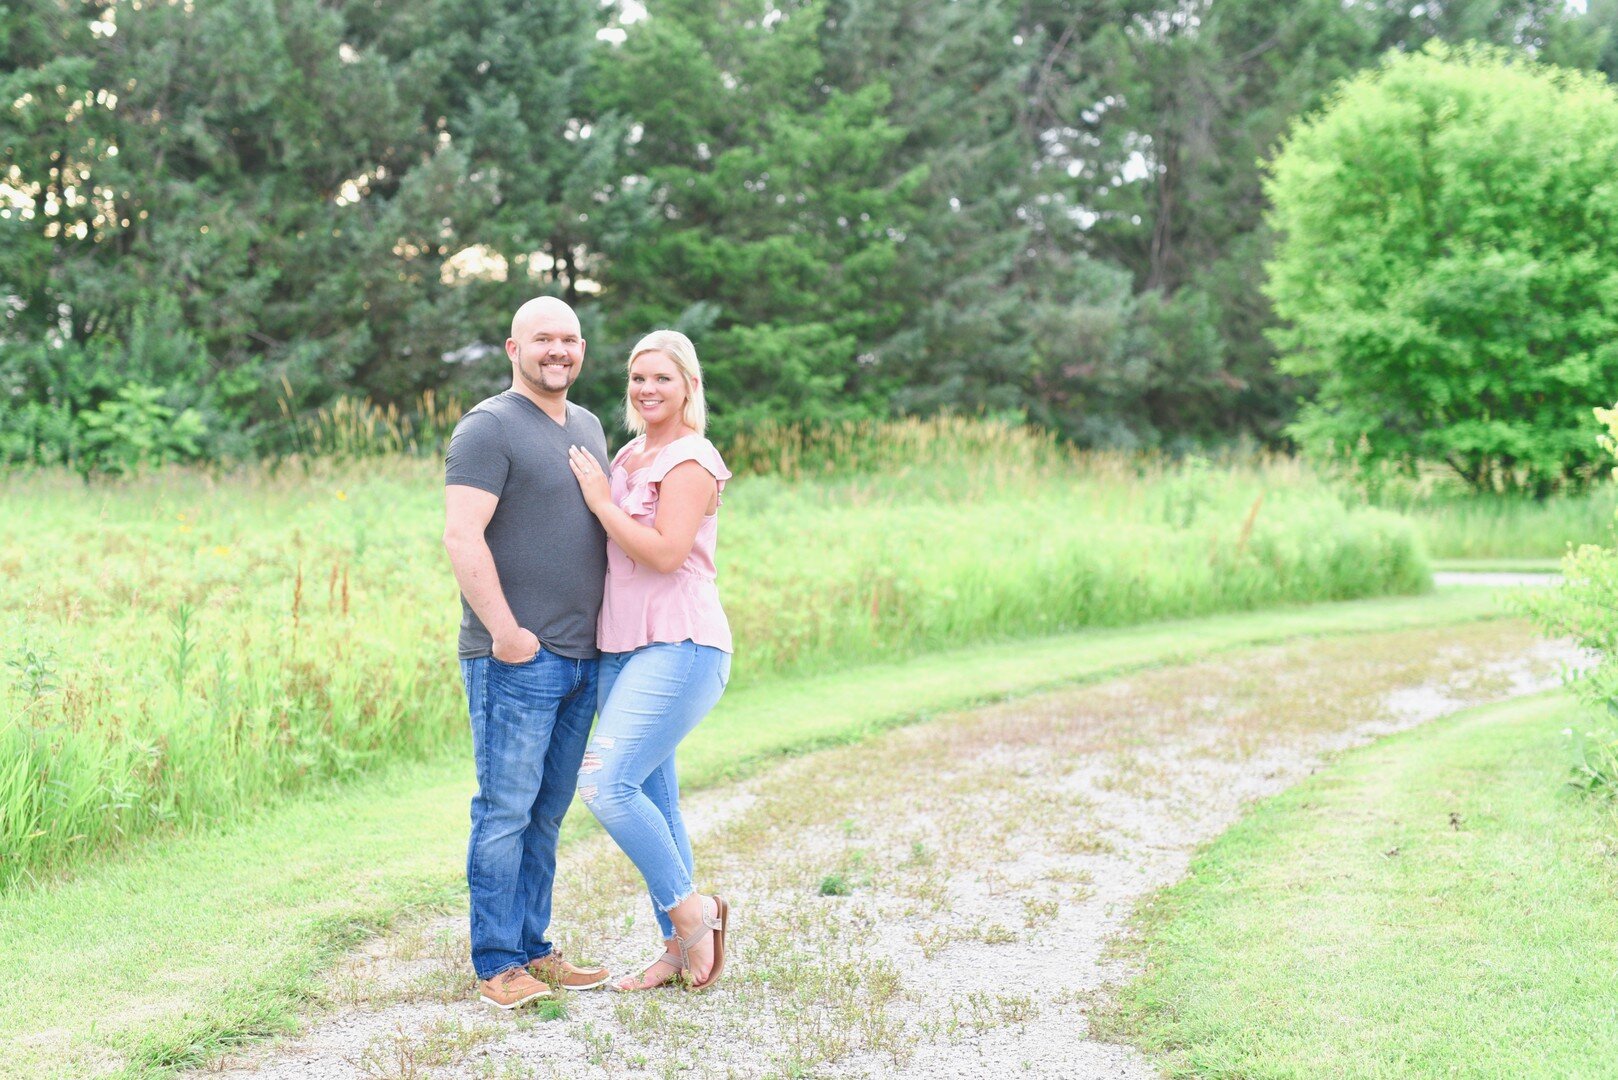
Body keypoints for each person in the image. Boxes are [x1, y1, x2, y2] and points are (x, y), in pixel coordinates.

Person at [442, 296, 614, 1009]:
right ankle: (496, 962)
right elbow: (462, 535)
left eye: (570, 339)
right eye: (544, 338)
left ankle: (535, 949)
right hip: (514, 658)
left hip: (583, 658)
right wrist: (509, 635)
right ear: (513, 347)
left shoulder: (588, 424)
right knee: (506, 810)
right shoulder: (488, 427)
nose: (559, 350)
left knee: (546, 813)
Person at [565, 329, 733, 992]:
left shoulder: (691, 460)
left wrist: (602, 503)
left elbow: (664, 554)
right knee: (655, 800)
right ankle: (678, 947)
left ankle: (697, 917)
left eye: (662, 377)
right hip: (621, 647)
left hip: (681, 644)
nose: (646, 389)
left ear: (688, 385)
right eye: (638, 377)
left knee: (605, 784)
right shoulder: (630, 453)